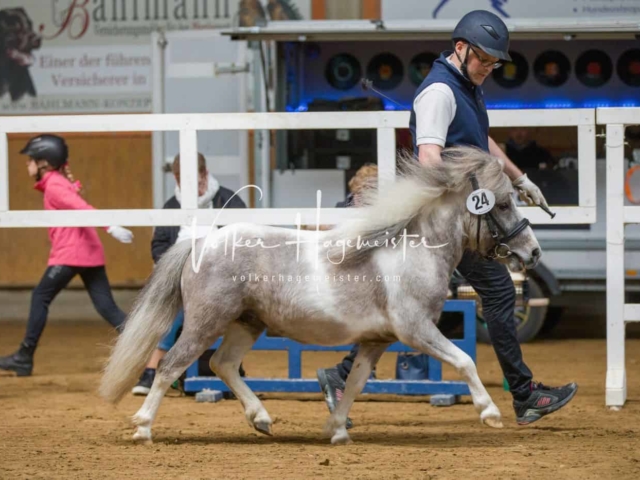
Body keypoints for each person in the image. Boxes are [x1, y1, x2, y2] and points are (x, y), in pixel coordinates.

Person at [319, 10, 578, 427]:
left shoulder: (466, 85)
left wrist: (520, 178)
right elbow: (428, 156)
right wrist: (473, 198)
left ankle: (341, 375)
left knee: (408, 309)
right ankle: (525, 395)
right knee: (492, 293)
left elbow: (482, 141)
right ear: (461, 49)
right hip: (447, 222)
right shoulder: (439, 92)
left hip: (459, 222)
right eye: (485, 60)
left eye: (495, 63)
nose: (490, 69)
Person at [0, 134, 133, 377]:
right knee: (107, 307)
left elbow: (83, 209)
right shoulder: (57, 182)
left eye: (31, 160)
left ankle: (24, 356)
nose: (27, 164)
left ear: (45, 163)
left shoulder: (54, 184)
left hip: (72, 253)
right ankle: (143, 344)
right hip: (89, 252)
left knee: (40, 296)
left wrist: (110, 227)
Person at [132, 152, 247, 395]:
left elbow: (244, 242)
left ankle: (153, 370)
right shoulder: (172, 206)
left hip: (224, 280)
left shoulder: (229, 200)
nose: (189, 187)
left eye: (194, 180)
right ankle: (153, 368)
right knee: (172, 301)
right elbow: (159, 245)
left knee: (184, 301)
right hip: (183, 277)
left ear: (205, 175)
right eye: (182, 181)